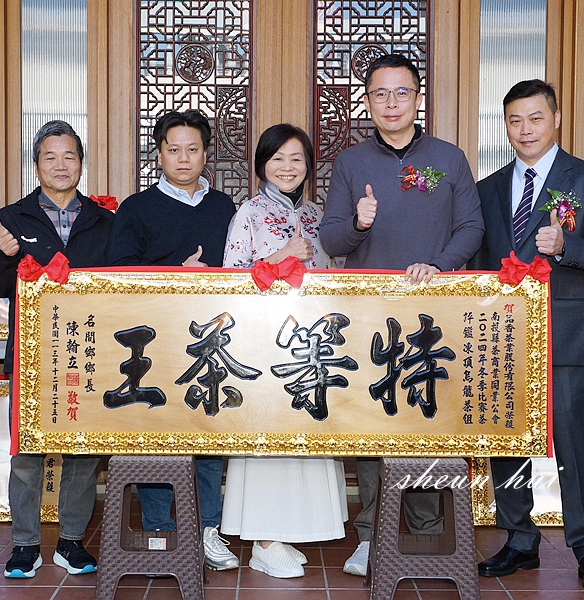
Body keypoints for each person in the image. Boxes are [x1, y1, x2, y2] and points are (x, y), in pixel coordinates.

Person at [319, 53, 484, 577]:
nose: (391, 103)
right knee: (373, 419)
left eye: (401, 92)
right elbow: (331, 239)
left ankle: (427, 529)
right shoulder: (351, 163)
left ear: (417, 98)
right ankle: (370, 535)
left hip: (433, 314)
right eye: (380, 94)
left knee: (426, 416)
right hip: (370, 316)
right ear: (367, 102)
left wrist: (439, 265)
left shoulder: (448, 158)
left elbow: (472, 227)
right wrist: (359, 224)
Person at [470, 79, 584, 595]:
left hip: (566, 331)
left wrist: (565, 245)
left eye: (535, 118)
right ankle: (519, 537)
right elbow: (479, 261)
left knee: (574, 442)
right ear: (505, 127)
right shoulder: (488, 188)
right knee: (507, 439)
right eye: (515, 120)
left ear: (555, 119)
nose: (525, 129)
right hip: (502, 335)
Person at [106, 109, 240, 571]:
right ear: (159, 155)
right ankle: (160, 531)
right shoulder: (136, 209)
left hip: (211, 344)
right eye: (173, 149)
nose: (183, 158)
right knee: (157, 438)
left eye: (192, 149)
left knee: (209, 434)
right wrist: (175, 273)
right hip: (155, 343)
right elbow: (116, 273)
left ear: (206, 155)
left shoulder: (224, 208)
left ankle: (208, 531)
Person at [0, 120, 113, 578]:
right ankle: (25, 545)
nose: (60, 165)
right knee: (28, 454)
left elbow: (121, 284)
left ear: (81, 163)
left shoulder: (104, 220)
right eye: (50, 157)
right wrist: (4, 255)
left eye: (69, 156)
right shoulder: (12, 218)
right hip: (33, 354)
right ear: (35, 165)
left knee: (82, 452)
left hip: (89, 351)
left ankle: (72, 542)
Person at [220, 123, 346, 579]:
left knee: (308, 432)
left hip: (314, 344)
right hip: (265, 343)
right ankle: (263, 540)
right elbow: (229, 279)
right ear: (262, 165)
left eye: (297, 159)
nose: (287, 167)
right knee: (267, 438)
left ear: (309, 166)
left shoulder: (318, 214)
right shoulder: (249, 212)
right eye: (277, 159)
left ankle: (289, 531)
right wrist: (279, 257)